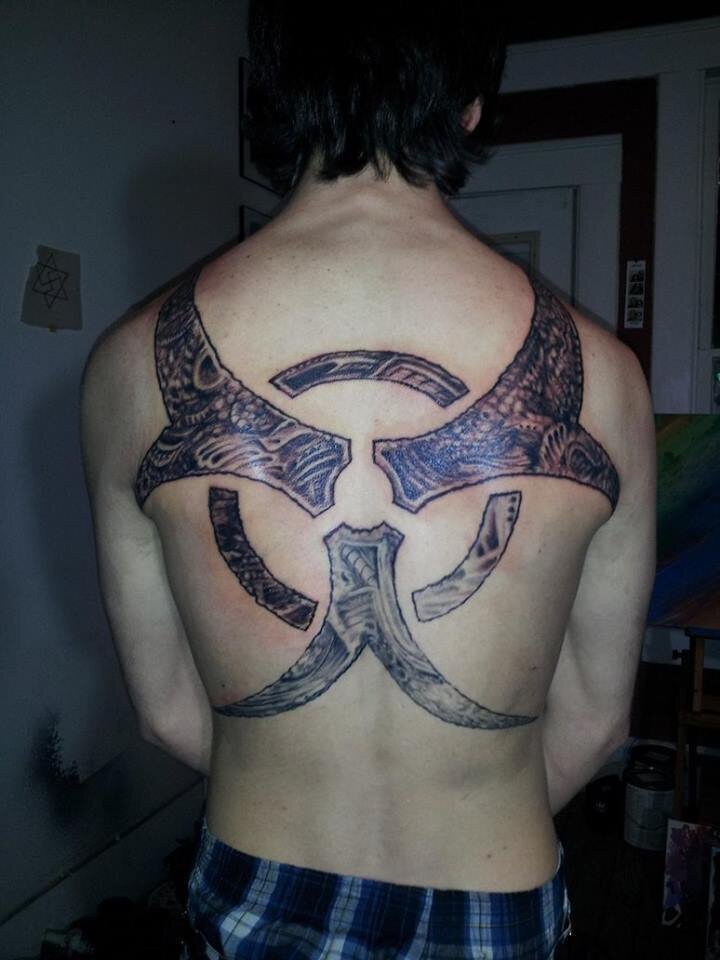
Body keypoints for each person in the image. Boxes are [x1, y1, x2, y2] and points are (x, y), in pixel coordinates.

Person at [80, 2, 657, 957]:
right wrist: (468, 812)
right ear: (470, 105)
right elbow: (596, 724)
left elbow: (168, 711)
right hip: (491, 893)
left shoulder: (129, 367)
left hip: (257, 883)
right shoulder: (606, 380)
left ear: (275, 91)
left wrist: (294, 788)